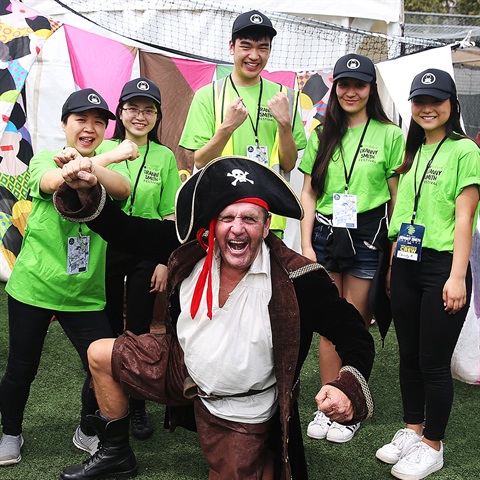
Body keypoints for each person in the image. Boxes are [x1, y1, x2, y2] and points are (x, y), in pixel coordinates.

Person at [54, 156, 375, 480]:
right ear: (213, 223)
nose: (237, 228)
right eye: (227, 217)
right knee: (99, 354)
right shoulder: (191, 247)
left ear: (266, 225)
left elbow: (354, 334)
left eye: (249, 218)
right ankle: (115, 454)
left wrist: (347, 386)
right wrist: (88, 190)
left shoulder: (299, 277)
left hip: (246, 400)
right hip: (181, 367)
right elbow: (126, 231)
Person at [0, 88, 139, 466]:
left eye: (98, 121)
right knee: (21, 368)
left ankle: (89, 430)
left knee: (103, 366)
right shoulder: (46, 155)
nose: (90, 127)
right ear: (65, 124)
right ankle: (10, 431)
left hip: (84, 293)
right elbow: (50, 181)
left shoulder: (115, 168)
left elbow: (122, 189)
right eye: (81, 119)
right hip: (34, 286)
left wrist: (97, 163)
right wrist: (109, 155)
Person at [375, 69, 480, 480]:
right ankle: (412, 431)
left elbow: (464, 218)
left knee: (434, 362)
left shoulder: (465, 151)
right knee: (409, 356)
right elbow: (402, 218)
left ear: (451, 105)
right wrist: (391, 268)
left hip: (442, 265)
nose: (427, 108)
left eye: (436, 100)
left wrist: (457, 277)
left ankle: (433, 445)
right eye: (420, 101)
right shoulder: (413, 152)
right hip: (405, 263)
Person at [298, 53, 405, 443]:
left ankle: (350, 403)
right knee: (328, 324)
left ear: (371, 89)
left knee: (354, 323)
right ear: (335, 87)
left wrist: (393, 251)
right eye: (344, 84)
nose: (351, 91)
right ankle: (328, 403)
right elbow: (309, 192)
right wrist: (306, 243)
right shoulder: (322, 131)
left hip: (367, 235)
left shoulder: (389, 134)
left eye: (359, 85)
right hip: (326, 233)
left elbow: (397, 199)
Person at [96, 77, 181, 439]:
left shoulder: (164, 156)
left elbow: (171, 215)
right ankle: (109, 401)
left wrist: (165, 260)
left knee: (142, 328)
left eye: (149, 110)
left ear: (158, 116)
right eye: (133, 108)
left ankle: (139, 405)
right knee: (110, 325)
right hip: (107, 248)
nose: (140, 116)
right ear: (120, 112)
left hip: (148, 249)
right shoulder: (105, 148)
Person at [179, 10, 307, 238]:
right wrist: (227, 127)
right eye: (246, 46)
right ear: (232, 46)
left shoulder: (285, 96)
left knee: (265, 275)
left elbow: (288, 165)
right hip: (222, 214)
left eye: (262, 47)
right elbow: (200, 161)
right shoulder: (209, 95)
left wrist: (285, 124)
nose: (254, 56)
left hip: (268, 216)